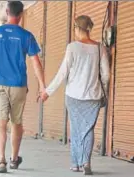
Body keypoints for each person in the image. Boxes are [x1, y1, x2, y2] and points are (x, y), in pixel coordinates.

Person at [41, 15, 110, 175]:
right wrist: (103, 89)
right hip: (93, 96)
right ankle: (86, 162)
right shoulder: (100, 48)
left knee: (76, 128)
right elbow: (106, 75)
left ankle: (75, 163)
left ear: (78, 28)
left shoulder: (72, 47)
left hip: (73, 95)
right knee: (88, 129)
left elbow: (62, 72)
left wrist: (47, 92)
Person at [0, 1, 45, 173]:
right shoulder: (26, 36)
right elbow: (36, 63)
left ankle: (1, 161)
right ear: (22, 14)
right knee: (16, 122)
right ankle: (13, 159)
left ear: (7, 12)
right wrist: (42, 86)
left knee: (1, 122)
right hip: (19, 84)